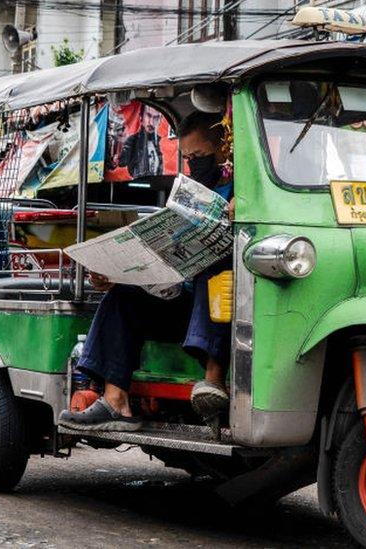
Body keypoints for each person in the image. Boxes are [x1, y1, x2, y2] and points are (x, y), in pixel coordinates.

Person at [60, 111, 235, 431]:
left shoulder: (242, 188)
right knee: (123, 297)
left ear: (221, 149)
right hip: (181, 303)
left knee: (211, 272)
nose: (193, 164)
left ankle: (213, 380)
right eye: (187, 157)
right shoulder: (187, 194)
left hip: (223, 307)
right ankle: (115, 401)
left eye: (198, 156)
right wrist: (116, 274)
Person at [118, 107, 164, 179]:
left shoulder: (157, 142)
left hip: (155, 185)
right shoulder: (133, 140)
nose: (151, 122)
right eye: (148, 115)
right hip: (139, 184)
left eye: (156, 118)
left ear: (160, 120)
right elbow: (121, 162)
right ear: (141, 117)